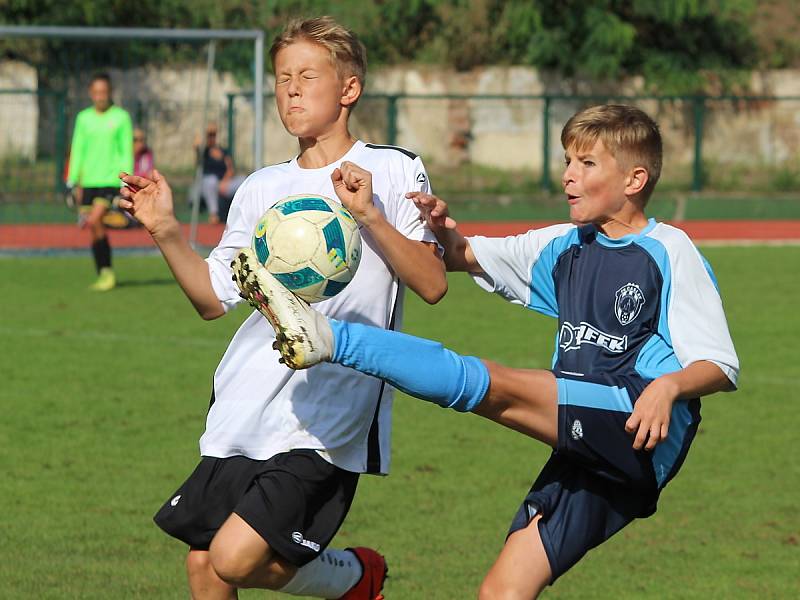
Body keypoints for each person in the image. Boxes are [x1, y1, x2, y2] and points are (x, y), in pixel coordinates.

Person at [231, 104, 740, 598]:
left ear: (635, 180)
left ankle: (330, 338)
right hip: (585, 443)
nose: (568, 175)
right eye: (567, 160)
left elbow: (719, 363)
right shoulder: (565, 246)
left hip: (636, 422)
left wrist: (668, 387)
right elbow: (463, 256)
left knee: (487, 386)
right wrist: (439, 229)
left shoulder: (669, 250)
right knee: (503, 590)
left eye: (587, 164)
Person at [118, 16, 446, 600]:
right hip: (247, 397)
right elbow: (212, 299)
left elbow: (431, 282)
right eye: (281, 79)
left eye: (306, 76)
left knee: (234, 557)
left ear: (349, 89)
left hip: (328, 411)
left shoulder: (394, 168)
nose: (289, 89)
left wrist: (369, 214)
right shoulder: (261, 186)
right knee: (203, 566)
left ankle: (355, 579)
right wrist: (166, 230)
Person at [67, 72, 133, 291]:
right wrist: (72, 180)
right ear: (90, 93)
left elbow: (126, 151)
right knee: (93, 227)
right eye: (96, 92)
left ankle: (107, 273)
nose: (100, 96)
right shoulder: (83, 118)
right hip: (89, 182)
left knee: (95, 221)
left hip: (109, 181)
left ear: (110, 92)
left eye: (103, 92)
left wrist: (126, 179)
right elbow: (78, 149)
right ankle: (103, 272)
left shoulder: (121, 117)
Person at [195, 123, 246, 224]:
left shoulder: (223, 151)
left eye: (214, 135)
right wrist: (205, 132)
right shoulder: (204, 151)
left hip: (224, 183)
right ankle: (214, 215)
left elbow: (230, 169)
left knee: (243, 180)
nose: (212, 138)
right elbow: (196, 143)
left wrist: (224, 182)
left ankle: (242, 215)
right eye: (210, 135)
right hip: (208, 183)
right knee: (211, 181)